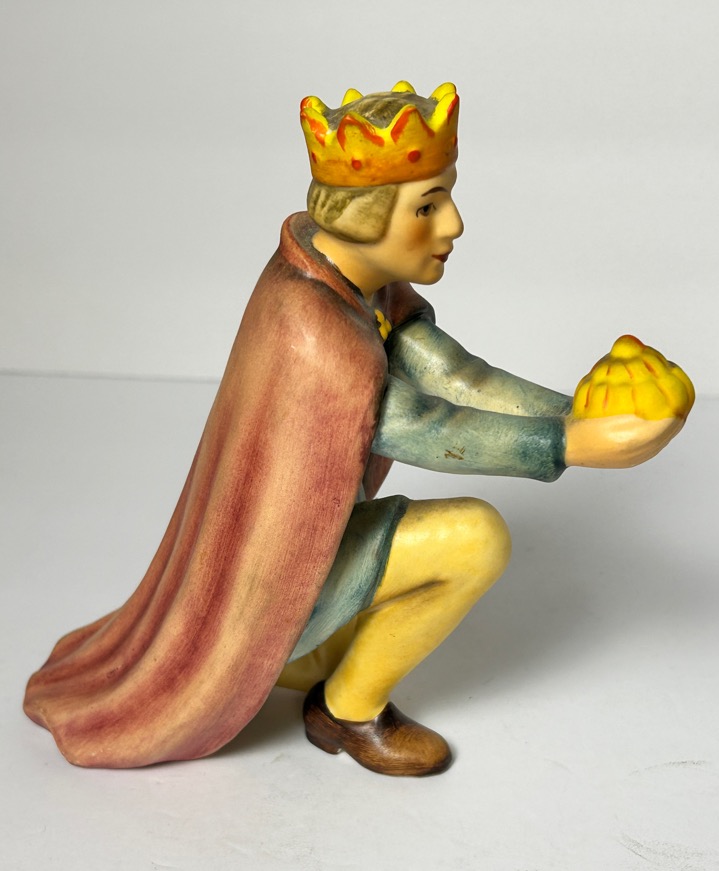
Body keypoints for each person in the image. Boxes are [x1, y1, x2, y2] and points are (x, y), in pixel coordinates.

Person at [24, 82, 692, 776]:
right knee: (476, 537)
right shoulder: (312, 323)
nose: (454, 223)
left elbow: (459, 377)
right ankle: (347, 709)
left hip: (308, 545)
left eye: (446, 197)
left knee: (457, 529)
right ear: (365, 218)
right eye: (428, 205)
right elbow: (418, 426)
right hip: (276, 579)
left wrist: (577, 414)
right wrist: (566, 446)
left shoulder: (361, 287)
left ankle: (321, 650)